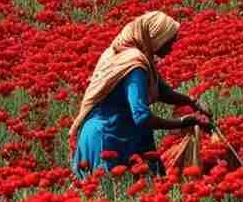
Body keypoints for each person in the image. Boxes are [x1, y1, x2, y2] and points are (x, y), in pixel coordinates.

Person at [69, 11, 211, 179]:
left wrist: (192, 102)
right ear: (155, 38)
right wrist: (182, 122)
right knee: (113, 196)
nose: (172, 46)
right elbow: (141, 117)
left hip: (118, 133)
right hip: (108, 140)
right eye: (169, 41)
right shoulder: (135, 66)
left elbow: (163, 91)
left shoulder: (127, 54)